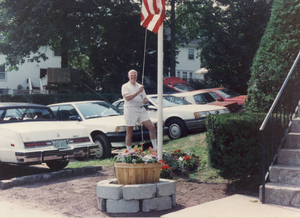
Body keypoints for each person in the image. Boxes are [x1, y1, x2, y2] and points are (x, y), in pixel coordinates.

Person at [121, 69, 157, 151]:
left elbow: (144, 98)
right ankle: (129, 151)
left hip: (140, 109)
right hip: (130, 110)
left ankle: (155, 148)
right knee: (129, 132)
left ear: (137, 76)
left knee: (152, 127)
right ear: (128, 76)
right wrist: (138, 92)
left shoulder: (140, 86)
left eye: (135, 75)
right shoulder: (125, 86)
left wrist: (145, 100)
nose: (133, 77)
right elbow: (127, 98)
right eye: (131, 75)